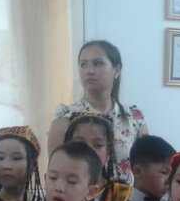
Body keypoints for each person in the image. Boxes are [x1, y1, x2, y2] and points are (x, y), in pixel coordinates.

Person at [49, 40, 148, 183]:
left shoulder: (134, 117)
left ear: (117, 70)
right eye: (83, 64)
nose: (89, 71)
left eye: (98, 63)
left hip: (125, 195)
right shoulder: (67, 115)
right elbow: (56, 169)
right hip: (81, 195)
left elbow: (146, 167)